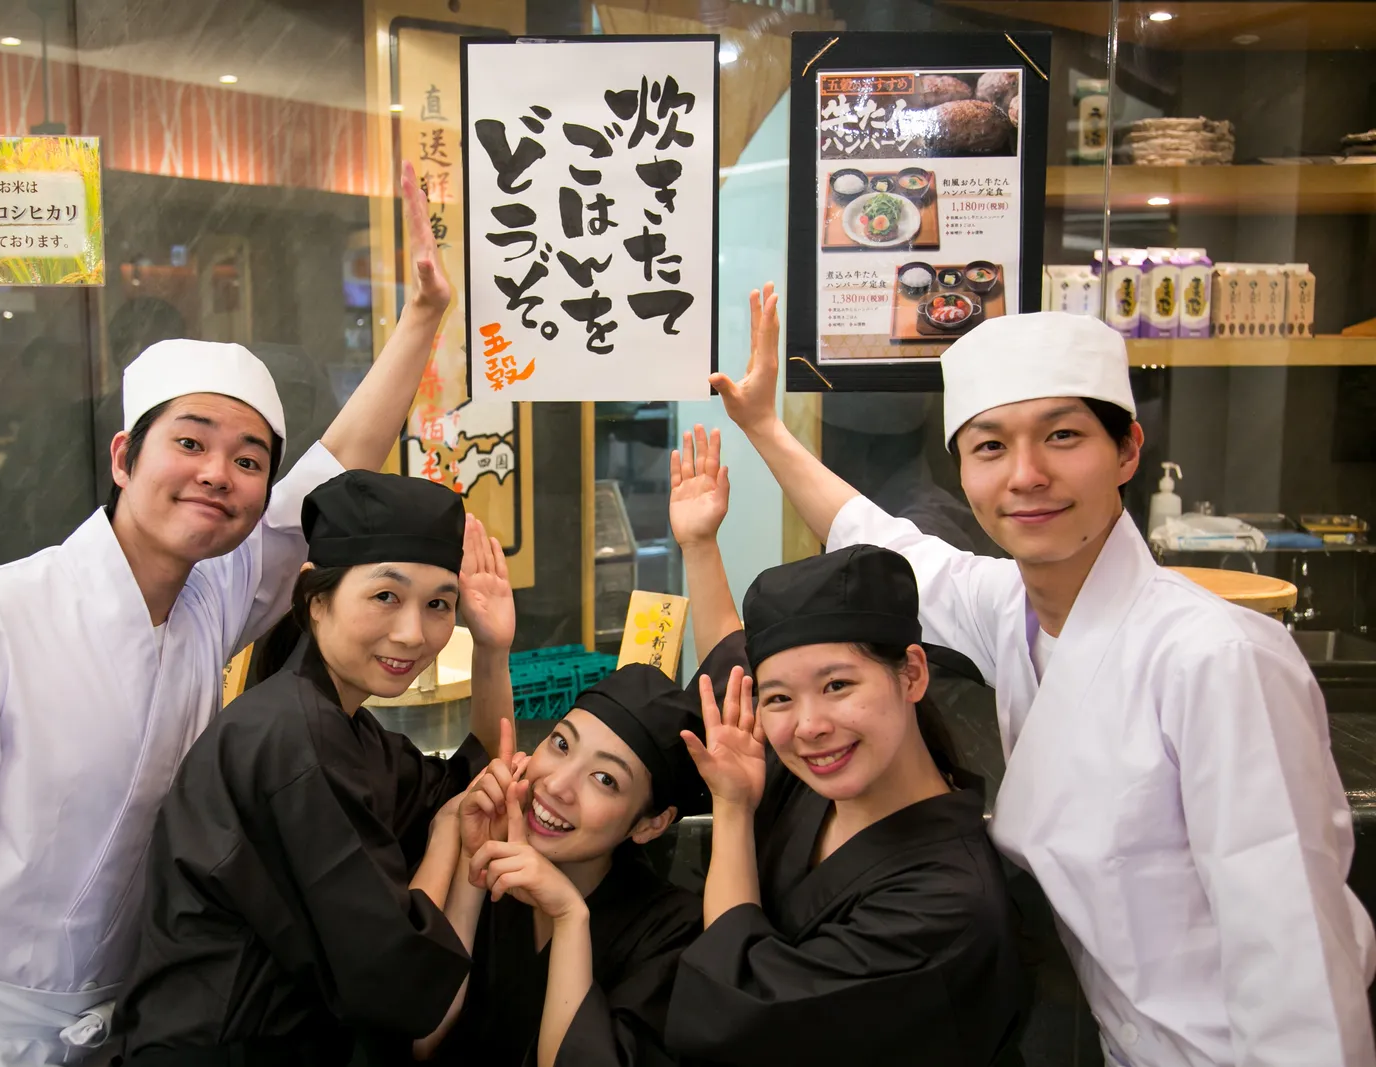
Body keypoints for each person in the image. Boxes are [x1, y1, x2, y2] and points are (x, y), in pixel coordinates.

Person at [0, 162, 453, 1067]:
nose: (218, 473)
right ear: (126, 456)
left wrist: (422, 318)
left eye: (249, 460)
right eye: (190, 442)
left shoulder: (207, 604)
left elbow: (332, 471)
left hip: (119, 1033)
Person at [715, 286, 1376, 1065]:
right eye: (990, 446)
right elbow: (886, 543)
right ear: (963, 471)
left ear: (1127, 450)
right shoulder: (1013, 611)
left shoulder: (1216, 657)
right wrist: (764, 428)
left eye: (1062, 436)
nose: (1025, 475)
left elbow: (1296, 961)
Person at [118, 475, 517, 1065]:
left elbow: (474, 784)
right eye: (386, 596)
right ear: (316, 598)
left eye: (438, 604)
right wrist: (442, 838)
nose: (413, 633)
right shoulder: (294, 740)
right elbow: (396, 979)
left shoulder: (341, 726)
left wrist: (492, 648)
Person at [660, 428, 1022, 1065]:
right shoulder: (812, 776)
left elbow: (741, 1014)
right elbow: (732, 666)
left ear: (912, 673)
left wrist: (735, 813)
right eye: (781, 698)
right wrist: (698, 544)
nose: (810, 725)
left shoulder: (944, 904)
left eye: (838, 685)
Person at [418, 664, 708, 1067]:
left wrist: (570, 917)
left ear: (651, 824)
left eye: (604, 779)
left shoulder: (673, 932)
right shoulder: (495, 858)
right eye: (561, 744)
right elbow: (417, 1039)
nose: (556, 785)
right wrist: (472, 861)